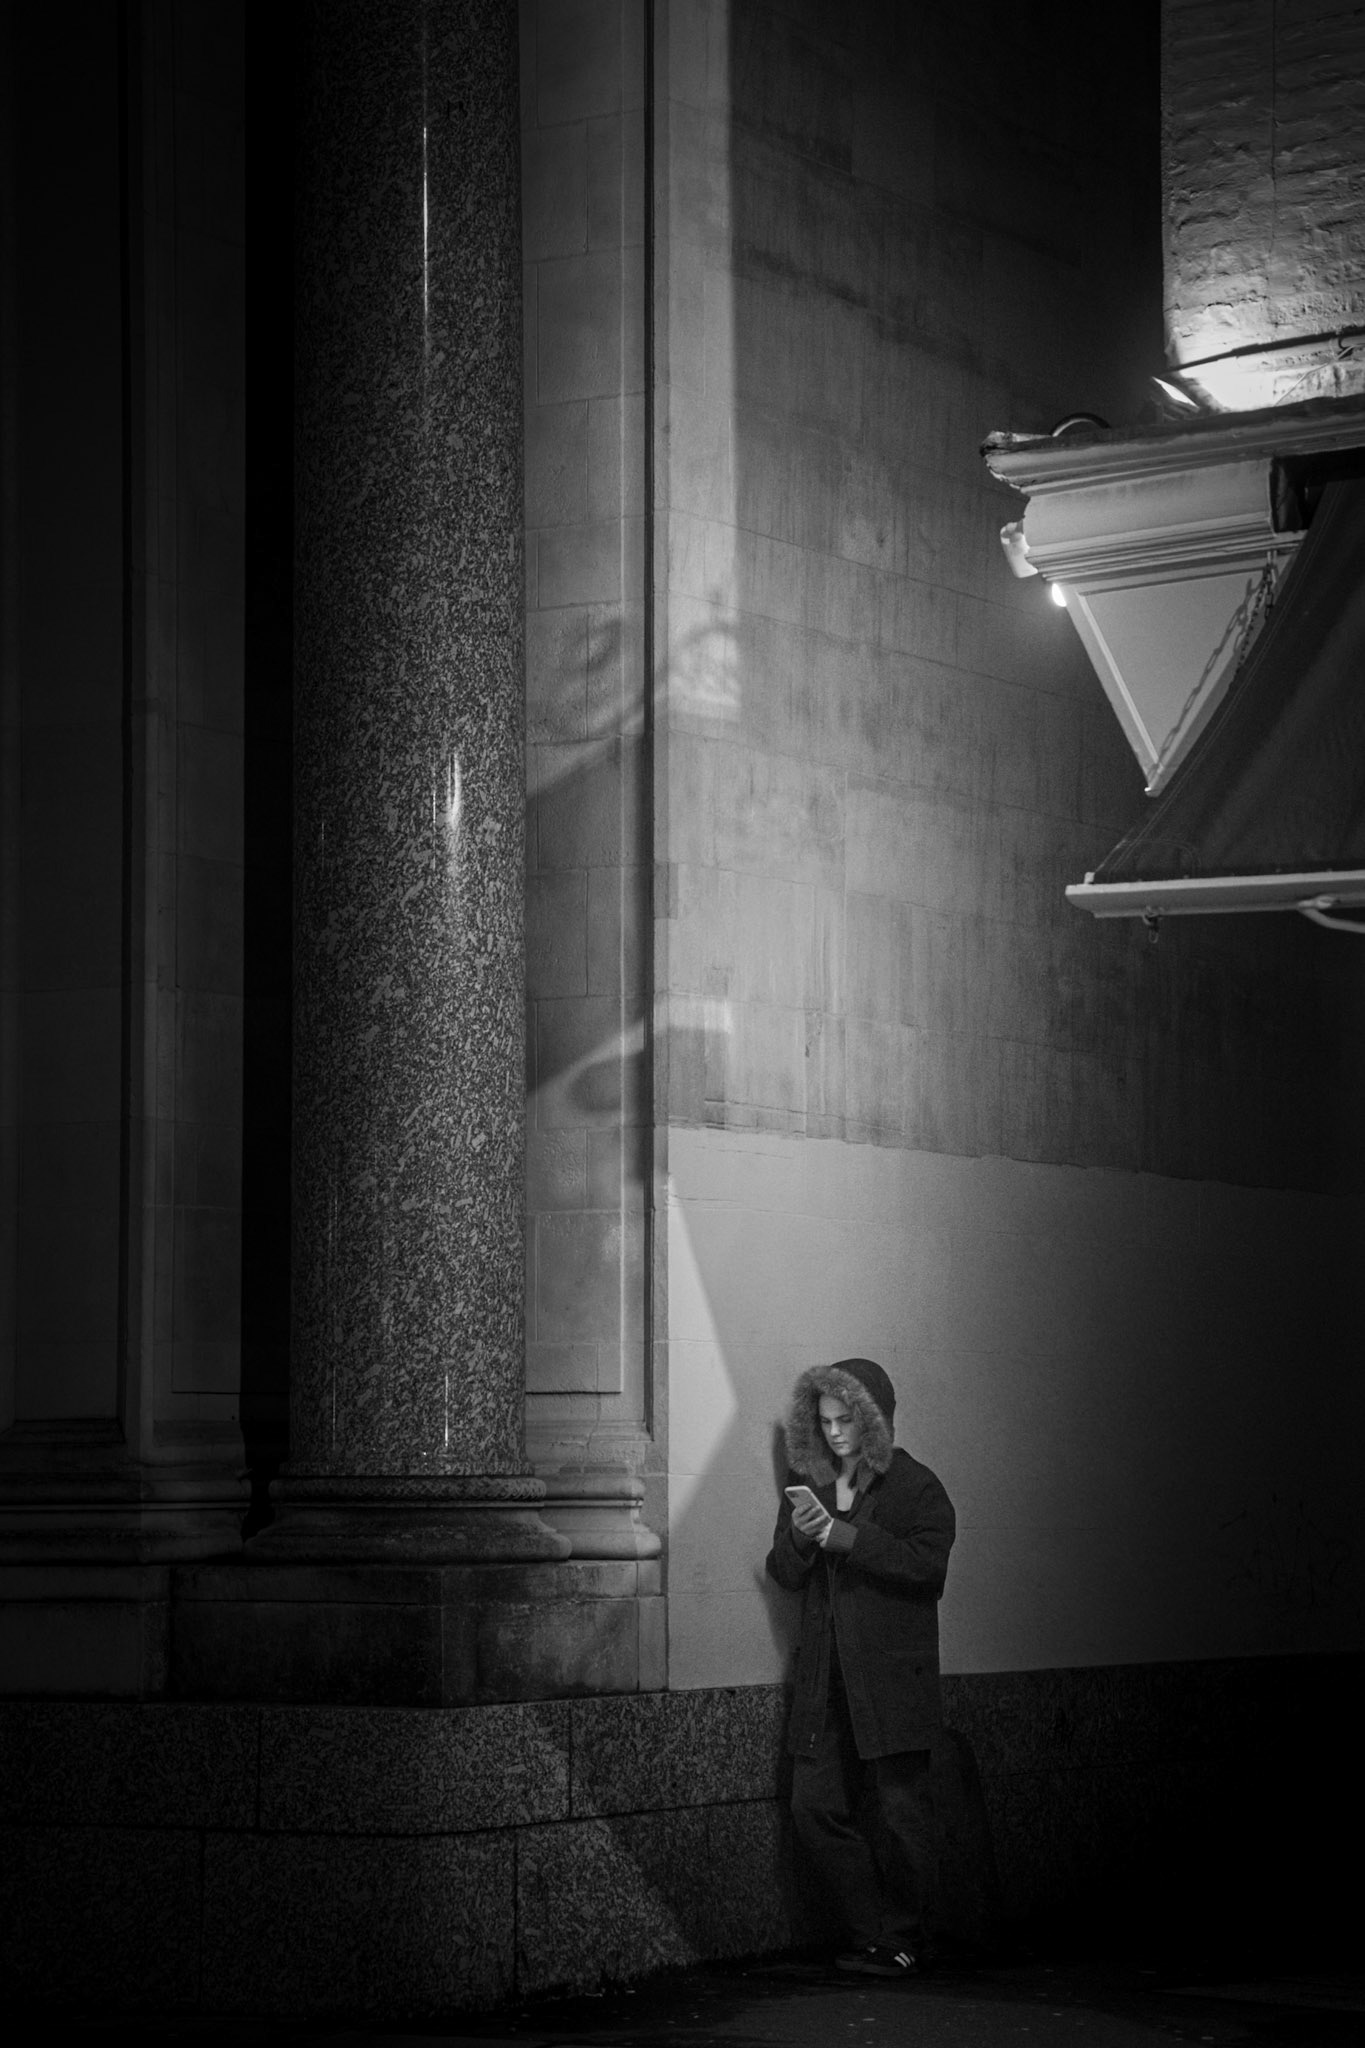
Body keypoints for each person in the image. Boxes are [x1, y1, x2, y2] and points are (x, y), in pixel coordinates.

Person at [766, 1356, 955, 1977]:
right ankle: (874, 1930)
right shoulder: (813, 1484)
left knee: (904, 1813)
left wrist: (847, 1539)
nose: (835, 1433)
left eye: (846, 1420)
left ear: (874, 1419)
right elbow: (784, 1573)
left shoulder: (916, 1487)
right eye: (825, 1421)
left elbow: (927, 1567)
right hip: (825, 1676)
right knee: (812, 1806)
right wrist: (800, 1536)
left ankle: (907, 1937)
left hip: (891, 1677)